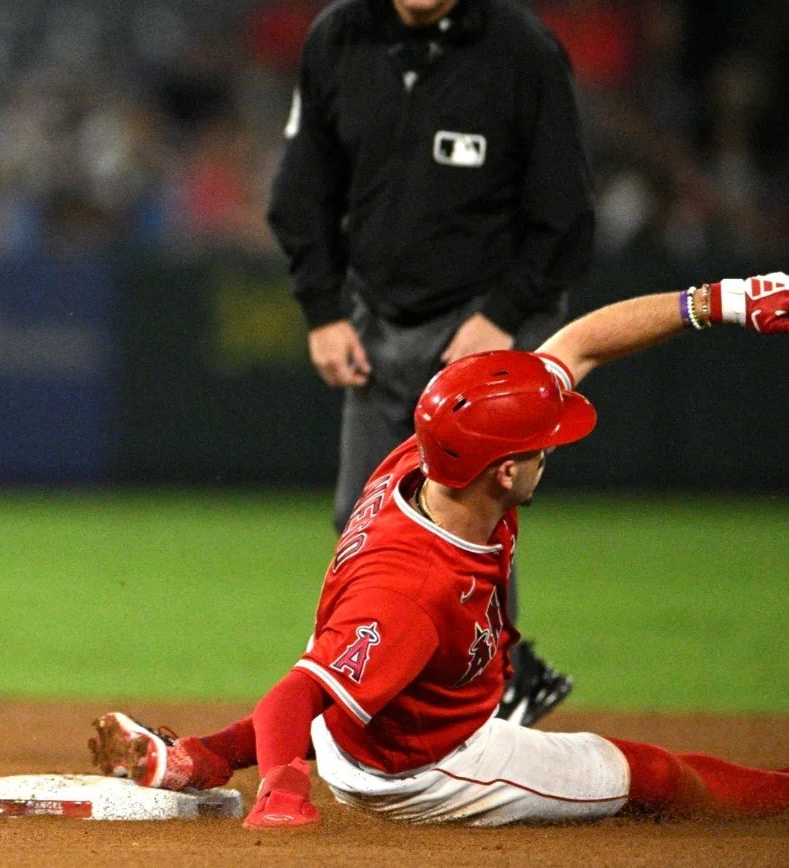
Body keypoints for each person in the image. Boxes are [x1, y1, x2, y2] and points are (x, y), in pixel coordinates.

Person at [91, 273, 789, 829]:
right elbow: (293, 698)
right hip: (421, 765)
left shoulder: (431, 456)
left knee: (361, 664)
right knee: (656, 775)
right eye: (541, 446)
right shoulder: (415, 589)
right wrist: (282, 791)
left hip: (374, 685)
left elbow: (580, 345)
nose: (551, 450)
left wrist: (719, 301)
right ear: (505, 472)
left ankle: (199, 759)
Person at [265, 0, 595, 725]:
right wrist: (322, 310)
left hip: (490, 317)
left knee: (469, 517)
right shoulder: (337, 39)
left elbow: (565, 218)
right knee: (363, 515)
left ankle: (496, 685)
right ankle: (409, 686)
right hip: (377, 316)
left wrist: (502, 318)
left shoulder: (523, 53)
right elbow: (299, 195)